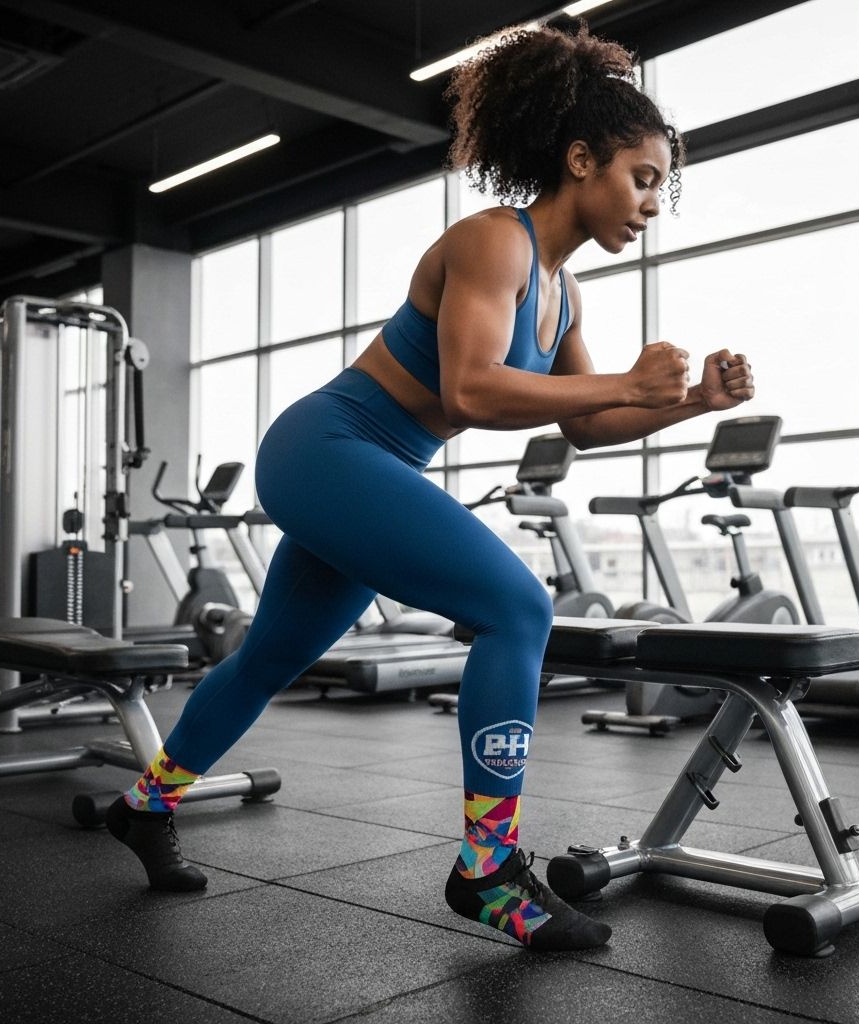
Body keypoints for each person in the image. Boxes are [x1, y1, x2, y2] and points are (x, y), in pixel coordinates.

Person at [106, 23, 754, 951]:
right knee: (517, 608)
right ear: (580, 159)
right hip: (328, 445)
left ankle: (145, 806)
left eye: (662, 187)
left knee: (268, 659)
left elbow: (582, 424)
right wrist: (623, 381)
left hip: (373, 465)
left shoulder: (565, 293)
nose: (654, 202)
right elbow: (472, 389)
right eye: (643, 177)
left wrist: (687, 403)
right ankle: (487, 869)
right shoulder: (496, 242)